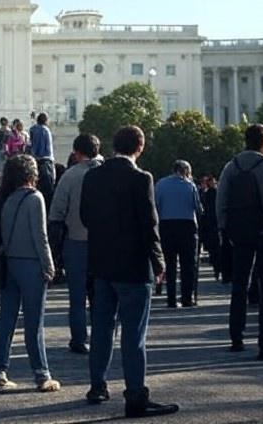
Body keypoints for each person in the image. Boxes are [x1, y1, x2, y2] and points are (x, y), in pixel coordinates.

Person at [80, 125, 178, 419]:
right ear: (140, 147)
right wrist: (159, 262)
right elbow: (149, 224)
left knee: (101, 328)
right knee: (133, 334)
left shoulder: (92, 176)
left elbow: (85, 216)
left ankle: (97, 385)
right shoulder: (141, 178)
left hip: (101, 262)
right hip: (134, 266)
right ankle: (135, 394)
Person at [216, 123, 263, 359]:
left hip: (241, 234)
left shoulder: (232, 167)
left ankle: (236, 337)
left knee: (240, 285)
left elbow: (221, 202)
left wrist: (224, 230)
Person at [0, 154, 60, 392]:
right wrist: (49, 266)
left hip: (10, 264)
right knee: (34, 323)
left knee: (6, 320)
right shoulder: (35, 198)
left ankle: (1, 369)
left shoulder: (6, 200)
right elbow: (40, 237)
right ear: (32, 175)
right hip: (31, 264)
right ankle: (42, 373)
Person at [49, 132, 102, 353]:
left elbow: (56, 214)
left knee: (77, 296)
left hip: (77, 240)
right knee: (102, 295)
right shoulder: (109, 172)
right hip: (105, 243)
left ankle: (79, 339)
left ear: (76, 152)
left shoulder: (70, 176)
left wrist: (54, 249)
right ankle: (103, 335)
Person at [154, 160, 202, 309]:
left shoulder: (160, 184)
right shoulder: (190, 186)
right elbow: (198, 208)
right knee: (188, 265)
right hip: (187, 226)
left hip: (167, 226)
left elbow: (156, 206)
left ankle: (171, 299)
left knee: (170, 263)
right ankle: (187, 298)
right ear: (186, 171)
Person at [28, 113, 57, 208]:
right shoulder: (45, 130)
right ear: (45, 120)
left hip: (36, 160)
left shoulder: (33, 129)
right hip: (46, 161)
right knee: (49, 189)